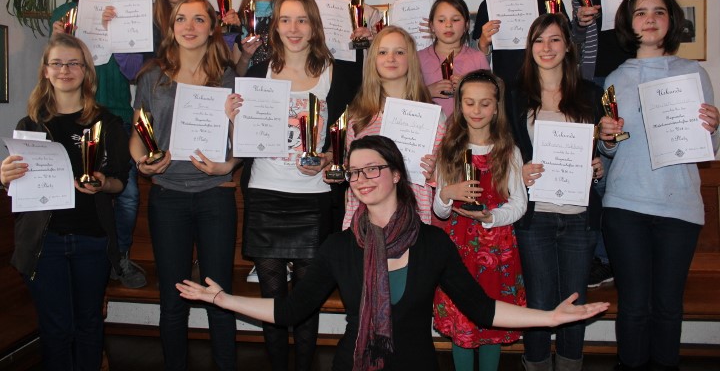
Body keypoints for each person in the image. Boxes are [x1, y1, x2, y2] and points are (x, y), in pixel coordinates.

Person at [177, 135, 610, 371]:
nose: (362, 179)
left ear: (397, 174)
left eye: (373, 169)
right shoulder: (340, 247)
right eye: (354, 173)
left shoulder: (432, 242)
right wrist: (222, 299)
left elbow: (482, 309)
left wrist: (549, 318)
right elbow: (290, 311)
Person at [225, 0, 359, 370]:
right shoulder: (258, 73)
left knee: (305, 301)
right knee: (272, 300)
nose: (293, 28)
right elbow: (244, 141)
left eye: (302, 20)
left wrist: (330, 158)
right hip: (265, 194)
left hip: (314, 198)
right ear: (276, 27)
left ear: (314, 25)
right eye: (285, 19)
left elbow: (351, 137)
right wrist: (233, 120)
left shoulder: (339, 74)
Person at [598, 0, 718, 370]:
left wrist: (714, 127)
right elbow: (611, 151)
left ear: (671, 21)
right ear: (628, 23)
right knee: (633, 307)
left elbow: (708, 148)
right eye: (640, 12)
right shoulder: (615, 78)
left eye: (658, 12)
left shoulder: (694, 73)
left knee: (668, 308)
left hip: (679, 206)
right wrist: (607, 139)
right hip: (625, 206)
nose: (649, 19)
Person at [1, 34, 130, 369]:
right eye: (57, 63)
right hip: (44, 244)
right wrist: (5, 178)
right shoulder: (30, 125)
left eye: (74, 63)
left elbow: (120, 182)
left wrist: (103, 183)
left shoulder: (108, 123)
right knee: (56, 330)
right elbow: (19, 184)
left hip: (92, 238)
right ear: (45, 70)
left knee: (89, 325)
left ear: (86, 71)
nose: (65, 70)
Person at [571, 0, 675, 288]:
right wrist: (580, 20)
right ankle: (604, 256)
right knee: (598, 168)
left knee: (640, 162)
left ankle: (643, 252)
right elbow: (576, 39)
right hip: (597, 79)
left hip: (643, 78)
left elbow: (670, 22)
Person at [130, 0, 239, 370]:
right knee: (172, 298)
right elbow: (138, 133)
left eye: (198, 20)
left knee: (219, 296)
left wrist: (228, 166)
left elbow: (242, 136)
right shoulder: (151, 76)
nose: (189, 27)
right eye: (181, 19)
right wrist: (142, 164)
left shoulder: (227, 76)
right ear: (171, 27)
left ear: (211, 28)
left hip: (215, 196)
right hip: (168, 196)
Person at [506, 13, 605, 371]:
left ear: (568, 46)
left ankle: (569, 365)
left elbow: (605, 146)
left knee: (574, 302)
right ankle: (535, 363)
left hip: (580, 216)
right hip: (535, 217)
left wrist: (600, 164)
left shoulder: (591, 95)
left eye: (554, 39)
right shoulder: (515, 96)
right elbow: (505, 149)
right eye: (538, 40)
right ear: (529, 48)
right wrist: (517, 170)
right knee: (539, 300)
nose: (546, 48)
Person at [50, 0, 146, 288]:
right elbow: (54, 65)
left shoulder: (128, 12)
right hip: (72, 116)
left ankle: (119, 257)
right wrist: (58, 38)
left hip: (116, 116)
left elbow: (134, 72)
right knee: (77, 190)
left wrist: (117, 31)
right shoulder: (65, 13)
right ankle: (86, 257)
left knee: (128, 195)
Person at [432, 70, 527, 371]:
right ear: (460, 106)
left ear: (497, 107)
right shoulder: (449, 150)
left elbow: (519, 204)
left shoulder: (509, 151)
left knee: (492, 319)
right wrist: (447, 193)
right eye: (470, 103)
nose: (477, 110)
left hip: (497, 250)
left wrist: (490, 217)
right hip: (458, 249)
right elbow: (440, 212)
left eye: (485, 104)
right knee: (462, 319)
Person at [340, 26, 442, 229]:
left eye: (400, 52)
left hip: (411, 214)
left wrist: (434, 174)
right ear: (373, 60)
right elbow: (351, 172)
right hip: (365, 219)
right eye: (383, 52)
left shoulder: (432, 116)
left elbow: (442, 175)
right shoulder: (358, 116)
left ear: (411, 59)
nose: (391, 58)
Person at [418, 0, 490, 117]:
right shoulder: (418, 58)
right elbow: (405, 96)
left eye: (455, 20)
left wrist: (467, 87)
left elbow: (490, 96)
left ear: (466, 25)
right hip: (428, 126)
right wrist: (426, 91)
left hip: (467, 127)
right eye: (441, 20)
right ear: (432, 26)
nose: (448, 24)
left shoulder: (478, 58)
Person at [222, 0, 287, 76]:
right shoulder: (238, 20)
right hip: (250, 85)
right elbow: (237, 75)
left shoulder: (287, 17)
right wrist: (245, 56)